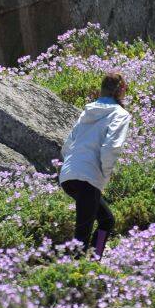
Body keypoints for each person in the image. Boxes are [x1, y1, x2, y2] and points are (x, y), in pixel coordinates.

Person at [59, 71, 131, 259]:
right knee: (82, 235)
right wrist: (104, 175)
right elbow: (111, 147)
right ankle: (81, 269)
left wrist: (72, 167)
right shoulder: (120, 114)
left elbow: (67, 145)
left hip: (68, 175)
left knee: (106, 220)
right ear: (121, 90)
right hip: (88, 177)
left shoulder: (87, 112)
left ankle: (93, 259)